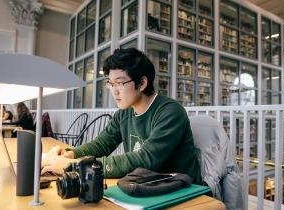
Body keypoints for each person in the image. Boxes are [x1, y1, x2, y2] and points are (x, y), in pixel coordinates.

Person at [41, 48, 202, 184]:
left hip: (185, 192)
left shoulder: (170, 112)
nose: (114, 91)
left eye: (120, 83)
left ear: (142, 83)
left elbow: (145, 161)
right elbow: (101, 145)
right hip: (147, 187)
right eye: (110, 83)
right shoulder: (124, 113)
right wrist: (70, 154)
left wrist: (73, 165)